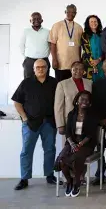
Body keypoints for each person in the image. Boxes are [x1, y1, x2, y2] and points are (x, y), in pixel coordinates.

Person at [12, 59, 60, 190]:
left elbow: (60, 101)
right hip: (30, 123)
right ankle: (24, 179)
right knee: (26, 151)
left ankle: (49, 175)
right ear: (33, 69)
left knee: (50, 150)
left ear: (47, 68)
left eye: (43, 67)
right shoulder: (26, 83)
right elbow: (17, 102)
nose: (40, 69)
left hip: (49, 123)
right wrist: (24, 118)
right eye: (37, 67)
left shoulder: (54, 83)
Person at [57, 91, 98, 197]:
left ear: (90, 103)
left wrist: (80, 144)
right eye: (82, 99)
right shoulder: (71, 114)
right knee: (62, 159)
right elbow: (68, 132)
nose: (84, 101)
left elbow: (91, 134)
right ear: (77, 101)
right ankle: (69, 182)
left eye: (87, 100)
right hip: (71, 143)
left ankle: (77, 183)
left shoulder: (92, 116)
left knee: (77, 156)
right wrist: (72, 144)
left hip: (87, 144)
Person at [54, 61, 93, 135]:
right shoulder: (62, 84)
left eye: (81, 69)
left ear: (84, 71)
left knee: (83, 142)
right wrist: (60, 125)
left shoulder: (89, 83)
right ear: (71, 70)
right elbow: (58, 106)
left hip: (85, 119)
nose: (78, 71)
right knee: (70, 143)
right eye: (75, 69)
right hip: (70, 120)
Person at [49, 4, 83, 81]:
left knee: (75, 87)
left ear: (76, 13)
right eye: (69, 12)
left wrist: (80, 60)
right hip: (61, 63)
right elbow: (52, 44)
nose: (71, 14)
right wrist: (54, 59)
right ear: (65, 12)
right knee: (61, 85)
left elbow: (80, 46)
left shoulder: (79, 27)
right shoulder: (57, 25)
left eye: (73, 12)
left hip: (75, 64)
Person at [20, 12, 50, 78]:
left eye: (38, 19)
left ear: (42, 20)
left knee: (44, 81)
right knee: (28, 81)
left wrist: (45, 56)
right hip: (29, 62)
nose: (36, 20)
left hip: (44, 60)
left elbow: (50, 45)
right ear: (30, 21)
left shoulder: (47, 32)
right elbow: (21, 45)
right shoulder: (26, 31)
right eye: (34, 19)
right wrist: (26, 57)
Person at [81, 15, 104, 82]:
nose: (93, 23)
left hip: (101, 62)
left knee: (101, 83)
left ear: (98, 22)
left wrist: (99, 60)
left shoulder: (102, 34)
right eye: (91, 22)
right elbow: (86, 50)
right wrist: (93, 65)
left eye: (95, 21)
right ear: (88, 23)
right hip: (88, 63)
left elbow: (105, 49)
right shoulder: (84, 35)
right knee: (89, 84)